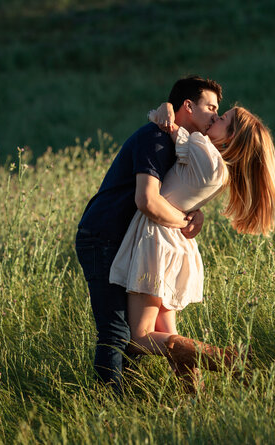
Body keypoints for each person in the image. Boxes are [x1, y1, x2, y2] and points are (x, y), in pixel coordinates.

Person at [109, 104, 275, 390]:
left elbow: (172, 127)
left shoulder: (203, 149)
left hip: (155, 242)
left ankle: (225, 360)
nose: (215, 117)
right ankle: (193, 397)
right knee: (168, 332)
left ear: (230, 138)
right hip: (174, 245)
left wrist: (166, 109)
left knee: (140, 338)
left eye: (223, 118)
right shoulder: (222, 172)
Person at [74, 76, 223, 393]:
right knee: (116, 333)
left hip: (137, 241)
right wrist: (184, 220)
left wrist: (198, 214)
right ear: (187, 106)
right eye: (210, 107)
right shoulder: (155, 138)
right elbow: (148, 200)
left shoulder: (181, 144)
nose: (214, 116)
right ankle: (107, 409)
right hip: (104, 235)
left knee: (143, 333)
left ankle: (154, 400)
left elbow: (177, 194)